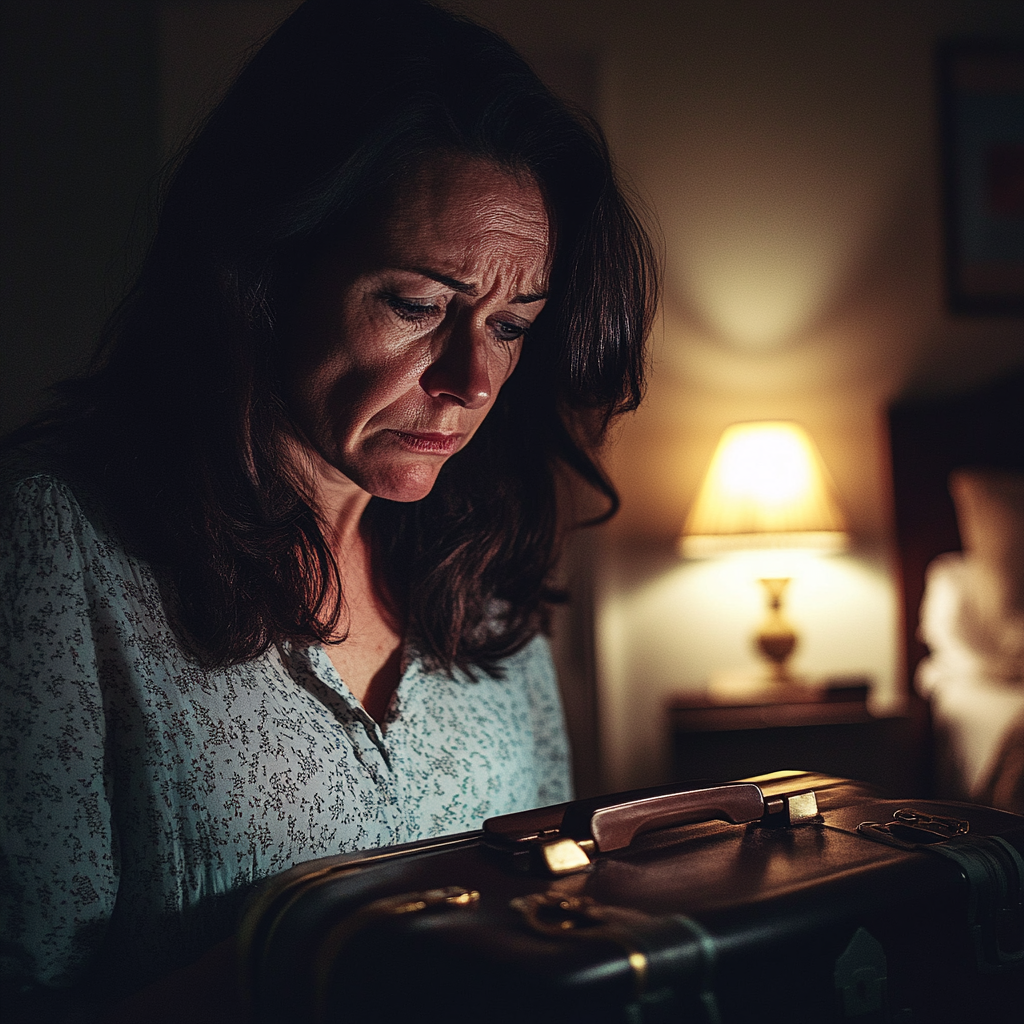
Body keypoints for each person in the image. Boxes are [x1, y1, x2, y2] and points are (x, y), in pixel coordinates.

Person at [0, 0, 658, 1019]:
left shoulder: (482, 586)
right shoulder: (59, 547)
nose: (471, 379)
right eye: (416, 305)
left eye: (512, 324)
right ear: (266, 273)